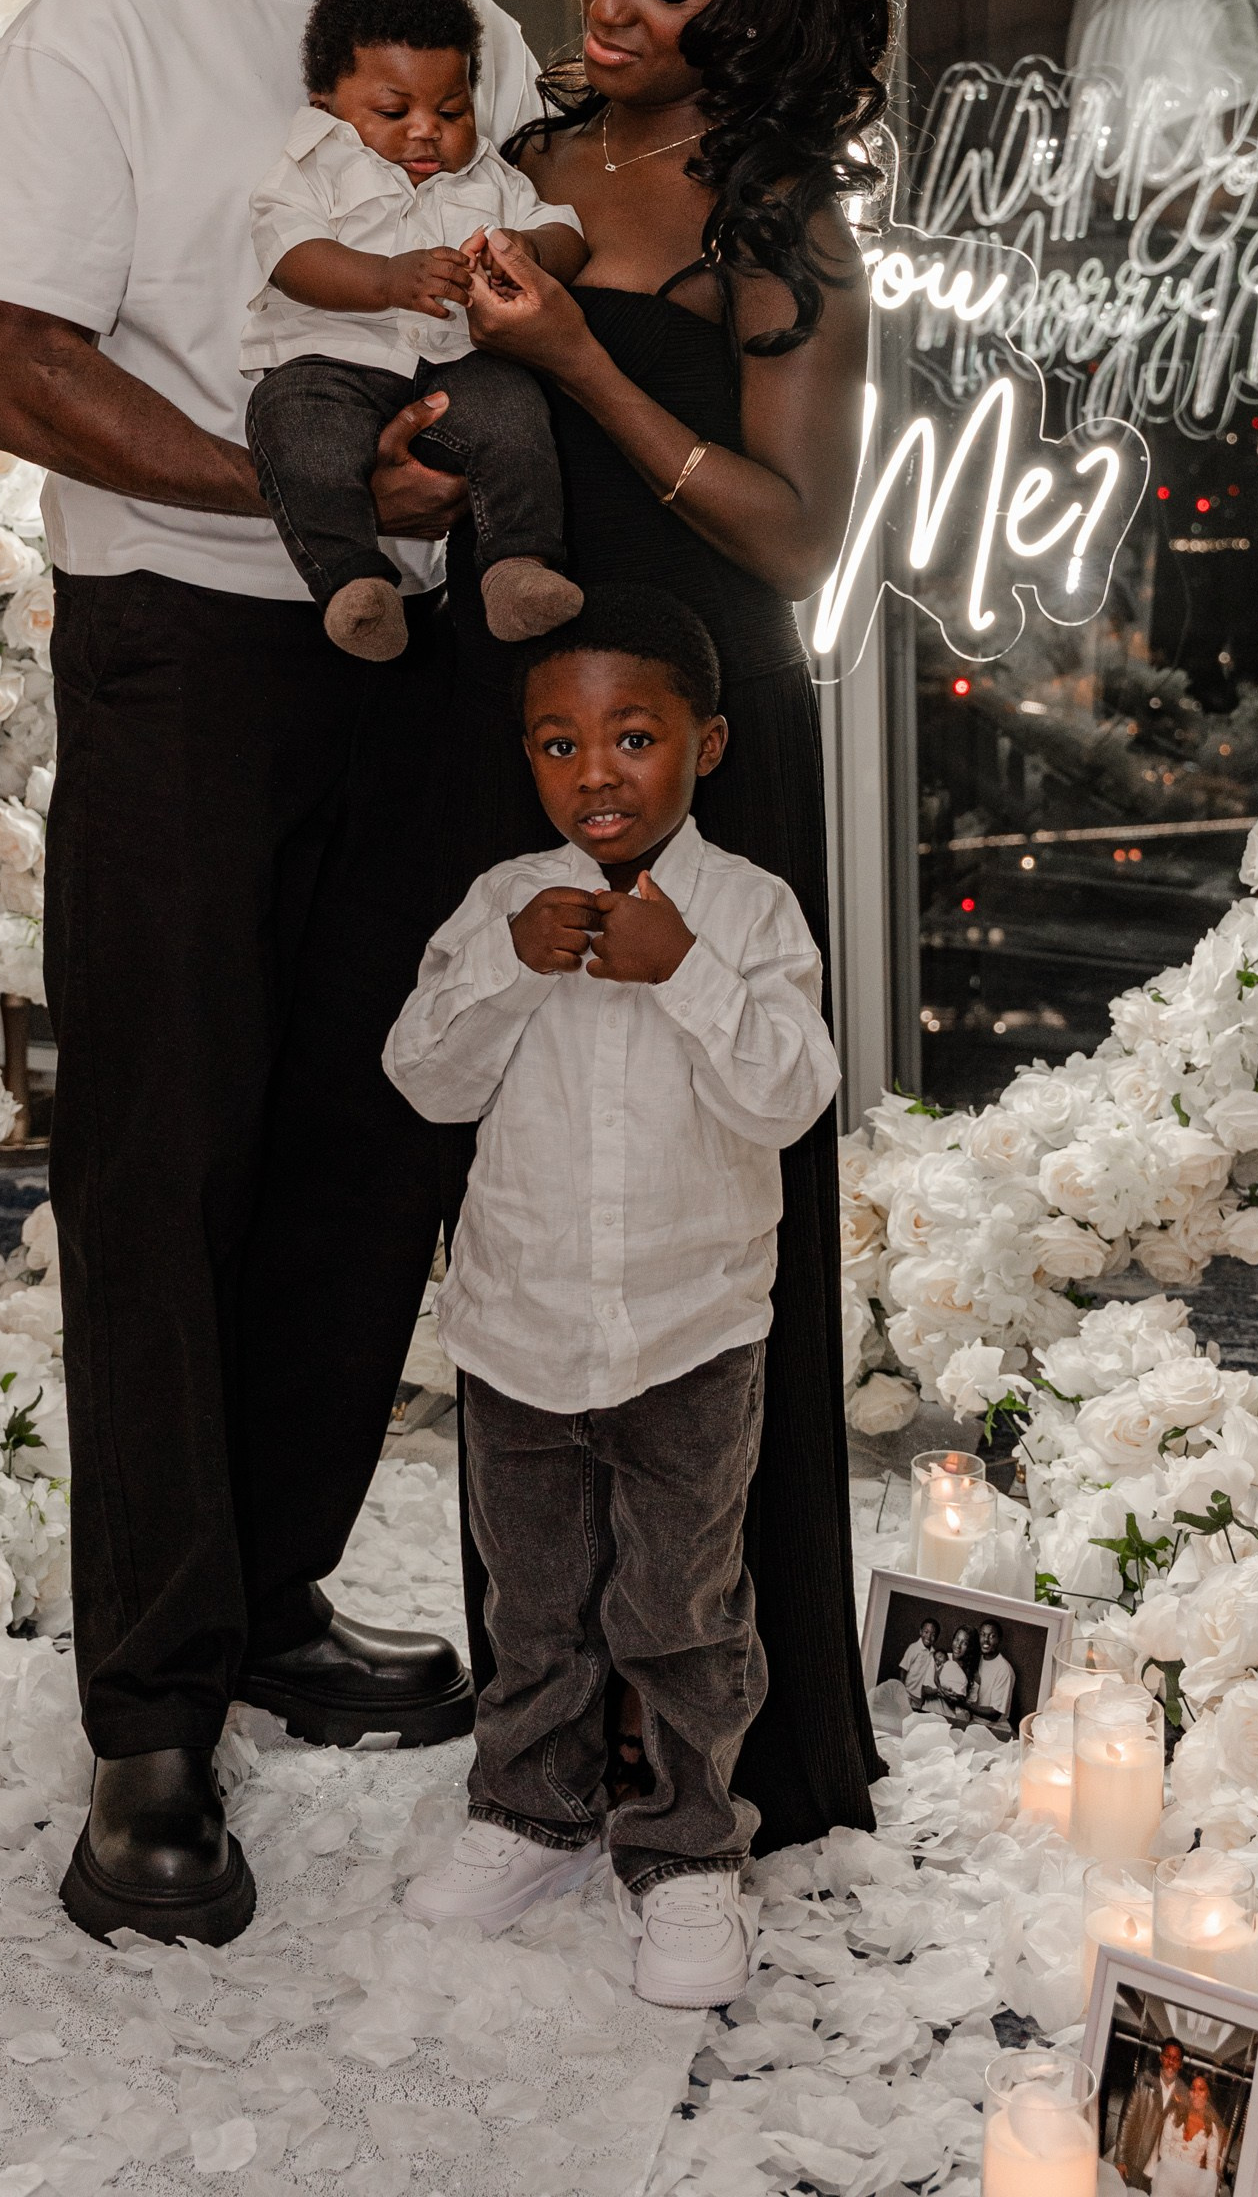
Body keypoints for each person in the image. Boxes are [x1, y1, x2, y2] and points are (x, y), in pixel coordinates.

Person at [0, 0, 544, 1947]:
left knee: (364, 1136)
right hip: (185, 655)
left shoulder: (460, 34)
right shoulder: (96, 40)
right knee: (168, 1159)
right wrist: (274, 498)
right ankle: (151, 1726)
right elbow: (20, 370)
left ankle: (274, 1584)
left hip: (407, 661)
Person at [441, 0, 890, 1853]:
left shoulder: (779, 216)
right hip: (507, 727)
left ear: (754, 8)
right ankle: (546, 1711)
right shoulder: (505, 158)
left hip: (704, 735)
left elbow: (794, 539)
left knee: (713, 1208)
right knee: (530, 1202)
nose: (606, 1)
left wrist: (576, 367)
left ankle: (729, 1728)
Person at [385, 587, 839, 2006]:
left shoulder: (748, 912)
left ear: (704, 747)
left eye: (632, 739)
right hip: (519, 1330)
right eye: (559, 744)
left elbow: (787, 1097)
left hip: (691, 1332)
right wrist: (515, 971)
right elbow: (424, 1077)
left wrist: (684, 974)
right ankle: (529, 1812)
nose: (596, 773)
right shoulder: (495, 908)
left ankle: (688, 1852)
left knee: (684, 1610)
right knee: (536, 1605)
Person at [242, 0, 588, 658]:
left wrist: (530, 248)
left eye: (451, 111)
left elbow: (570, 235)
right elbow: (293, 255)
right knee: (292, 425)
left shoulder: (489, 174)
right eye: (394, 113)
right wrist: (386, 280)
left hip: (457, 366)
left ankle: (517, 566)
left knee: (517, 411)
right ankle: (351, 582)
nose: (427, 131)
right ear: (328, 105)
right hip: (335, 362)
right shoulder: (314, 166)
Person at [1116, 2038, 1191, 2189]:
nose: (1171, 2062)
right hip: (1136, 2160)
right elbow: (1127, 2120)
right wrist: (1120, 2158)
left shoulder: (1183, 2093)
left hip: (1161, 2170)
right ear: (1161, 2057)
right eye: (1168, 2057)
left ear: (1180, 2064)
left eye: (1176, 2059)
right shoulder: (1143, 2081)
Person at [1149, 2071, 1225, 2194]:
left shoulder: (1211, 2128)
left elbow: (1211, 2168)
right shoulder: (1174, 2115)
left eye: (1201, 2089)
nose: (1196, 2094)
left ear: (1208, 2093)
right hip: (1166, 2180)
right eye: (1192, 2089)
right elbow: (1164, 2149)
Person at [968, 1619, 1017, 1733]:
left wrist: (965, 1705)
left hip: (995, 1729)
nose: (985, 1640)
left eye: (992, 1636)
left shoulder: (1004, 1670)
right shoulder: (975, 1659)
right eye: (983, 1635)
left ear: (999, 1640)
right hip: (975, 1723)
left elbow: (994, 1714)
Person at [899, 1618, 942, 1707]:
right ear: (920, 1632)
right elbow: (903, 1668)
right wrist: (902, 1689)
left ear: (937, 1637)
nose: (929, 1637)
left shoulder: (934, 1653)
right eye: (926, 1632)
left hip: (920, 1697)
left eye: (933, 1634)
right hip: (908, 1693)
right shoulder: (914, 1648)